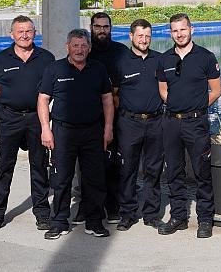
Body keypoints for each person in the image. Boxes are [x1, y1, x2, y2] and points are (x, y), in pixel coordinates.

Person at [37, 29, 115, 240]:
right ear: (68, 47)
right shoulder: (55, 69)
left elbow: (107, 99)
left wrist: (108, 128)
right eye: (75, 45)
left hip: (92, 131)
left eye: (83, 46)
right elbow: (43, 99)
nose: (79, 50)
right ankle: (59, 222)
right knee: (61, 179)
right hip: (63, 131)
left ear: (89, 48)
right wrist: (46, 128)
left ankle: (94, 221)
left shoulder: (98, 69)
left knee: (94, 179)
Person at [0, 15, 55, 233]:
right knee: (4, 167)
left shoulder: (46, 58)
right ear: (12, 34)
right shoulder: (0, 59)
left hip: (36, 119)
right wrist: (12, 101)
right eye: (20, 31)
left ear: (35, 33)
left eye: (29, 31)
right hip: (10, 119)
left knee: (39, 167)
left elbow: (51, 90)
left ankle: (42, 214)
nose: (24, 35)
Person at [157, 13, 221, 238]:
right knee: (174, 172)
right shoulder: (164, 59)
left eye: (183, 29)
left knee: (202, 171)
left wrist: (196, 107)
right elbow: (163, 90)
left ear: (191, 29)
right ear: (171, 33)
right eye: (175, 30)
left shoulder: (205, 56)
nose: (179, 34)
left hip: (196, 122)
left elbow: (216, 90)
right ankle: (178, 216)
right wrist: (176, 105)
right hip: (172, 122)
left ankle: (205, 219)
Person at [110, 19, 164, 231]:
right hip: (129, 123)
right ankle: (128, 214)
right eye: (140, 36)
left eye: (148, 36)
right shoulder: (120, 62)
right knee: (127, 170)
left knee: (154, 170)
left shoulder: (159, 60)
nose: (144, 40)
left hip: (155, 122)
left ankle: (151, 214)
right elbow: (113, 94)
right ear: (131, 36)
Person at [88, 12, 128, 224]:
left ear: (111, 28)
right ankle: (88, 207)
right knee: (88, 164)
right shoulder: (85, 51)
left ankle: (113, 206)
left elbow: (124, 85)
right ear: (91, 28)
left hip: (115, 115)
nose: (102, 30)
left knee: (113, 164)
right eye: (97, 26)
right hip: (89, 118)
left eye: (105, 27)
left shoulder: (121, 52)